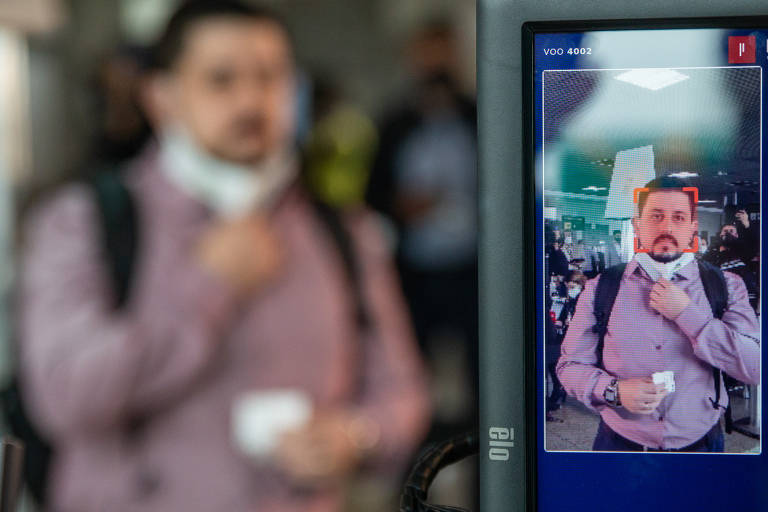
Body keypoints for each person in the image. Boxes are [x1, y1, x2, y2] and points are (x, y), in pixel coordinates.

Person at [18, 2, 429, 510]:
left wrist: (358, 435)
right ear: (161, 96)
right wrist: (210, 284)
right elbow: (63, 397)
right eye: (221, 79)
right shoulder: (83, 220)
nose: (251, 100)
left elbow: (403, 389)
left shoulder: (343, 229)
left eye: (269, 77)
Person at [557, 176, 759, 452]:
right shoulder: (601, 288)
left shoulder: (725, 285)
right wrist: (613, 390)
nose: (667, 227)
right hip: (619, 444)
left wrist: (689, 315)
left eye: (678, 217)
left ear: (692, 229)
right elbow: (569, 367)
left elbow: (755, 366)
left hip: (703, 444)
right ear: (637, 224)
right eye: (656, 216)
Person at [546, 270, 586, 420]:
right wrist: (561, 321)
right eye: (568, 287)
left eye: (572, 287)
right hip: (567, 336)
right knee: (555, 363)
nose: (570, 290)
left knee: (558, 363)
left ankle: (559, 391)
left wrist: (574, 323)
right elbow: (566, 315)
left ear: (579, 285)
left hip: (579, 340)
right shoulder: (571, 299)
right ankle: (558, 391)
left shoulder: (586, 299)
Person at [704, 222, 759, 311]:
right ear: (720, 234)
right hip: (721, 300)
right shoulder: (712, 253)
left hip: (745, 300)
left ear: (737, 235)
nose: (728, 233)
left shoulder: (744, 251)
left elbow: (756, 244)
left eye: (731, 231)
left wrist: (747, 226)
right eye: (725, 231)